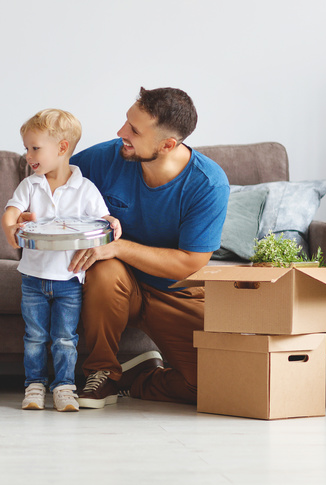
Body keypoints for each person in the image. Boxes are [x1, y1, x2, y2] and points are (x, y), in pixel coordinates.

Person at [66, 87, 230, 408]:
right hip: (115, 282)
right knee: (103, 264)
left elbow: (189, 262)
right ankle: (103, 374)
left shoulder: (208, 183)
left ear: (167, 144)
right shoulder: (105, 158)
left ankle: (140, 376)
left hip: (176, 290)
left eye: (134, 130)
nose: (121, 133)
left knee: (213, 384)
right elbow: (54, 182)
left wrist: (118, 247)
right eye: (127, 122)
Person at [2, 109, 121, 412]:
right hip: (32, 277)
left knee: (65, 338)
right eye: (26, 148)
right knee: (35, 337)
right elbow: (12, 211)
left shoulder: (85, 188)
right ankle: (34, 385)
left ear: (62, 148)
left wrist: (111, 221)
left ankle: (65, 386)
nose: (28, 155)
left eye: (34, 148)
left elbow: (101, 219)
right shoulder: (31, 185)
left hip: (69, 279)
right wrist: (10, 226)